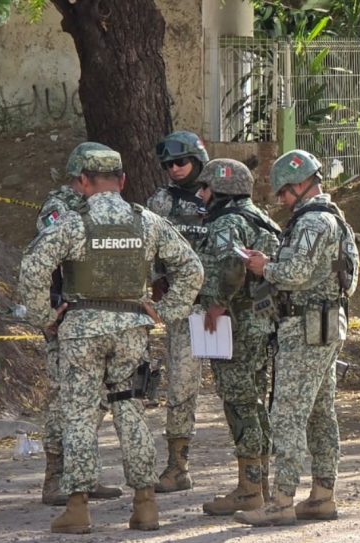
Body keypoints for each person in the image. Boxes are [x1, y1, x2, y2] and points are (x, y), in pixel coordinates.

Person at [19, 144, 203, 534]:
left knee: (81, 414)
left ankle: (78, 508)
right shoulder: (147, 221)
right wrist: (165, 311)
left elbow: (33, 268)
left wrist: (46, 318)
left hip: (81, 330)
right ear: (122, 181)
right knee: (131, 412)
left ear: (83, 182)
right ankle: (146, 505)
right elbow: (191, 267)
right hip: (131, 329)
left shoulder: (72, 222)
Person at [235, 149, 359, 527]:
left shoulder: (312, 222)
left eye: (286, 193)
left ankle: (282, 500)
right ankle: (322, 495)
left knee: (287, 414)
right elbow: (348, 278)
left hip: (306, 330)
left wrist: (264, 267)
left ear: (303, 184)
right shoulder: (335, 219)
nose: (283, 201)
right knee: (321, 413)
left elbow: (295, 273)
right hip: (324, 326)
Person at [35, 142, 123, 506]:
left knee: (94, 400)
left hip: (101, 317)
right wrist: (46, 315)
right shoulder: (59, 208)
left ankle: (83, 474)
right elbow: (42, 261)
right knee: (62, 399)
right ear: (83, 177)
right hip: (68, 315)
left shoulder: (111, 209)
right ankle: (55, 480)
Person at [194, 159, 281, 516]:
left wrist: (216, 304)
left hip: (237, 326)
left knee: (239, 403)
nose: (201, 194)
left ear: (222, 191)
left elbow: (231, 267)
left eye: (206, 187)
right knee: (255, 402)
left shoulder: (228, 222)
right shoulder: (264, 220)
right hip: (263, 324)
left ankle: (248, 491)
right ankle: (260, 485)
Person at [146, 130, 209, 492]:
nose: (175, 169)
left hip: (221, 308)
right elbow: (147, 249)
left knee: (240, 388)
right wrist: (157, 282)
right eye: (169, 164)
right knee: (181, 387)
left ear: (197, 160)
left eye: (181, 161)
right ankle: (178, 466)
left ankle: (252, 470)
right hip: (183, 309)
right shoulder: (159, 202)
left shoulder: (220, 194)